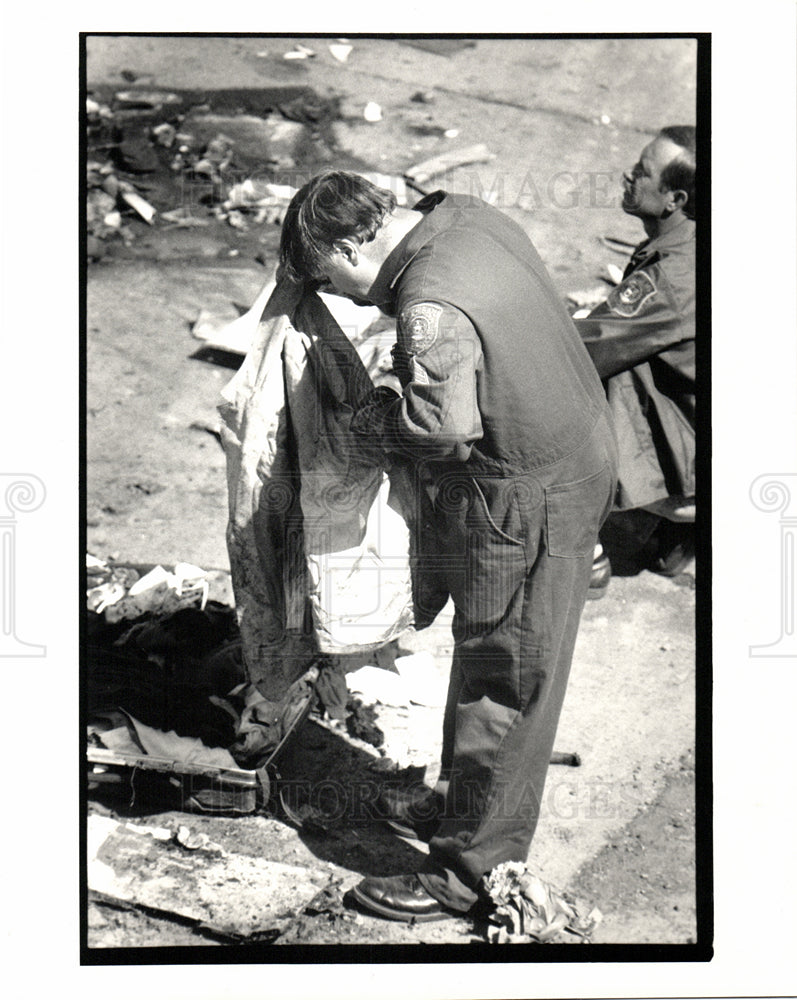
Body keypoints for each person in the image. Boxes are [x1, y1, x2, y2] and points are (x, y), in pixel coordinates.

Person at [279, 172, 618, 922]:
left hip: (522, 500)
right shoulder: (467, 215)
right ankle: (467, 811)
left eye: (328, 275)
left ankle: (470, 869)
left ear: (348, 243)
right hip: (571, 450)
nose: (340, 294)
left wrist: (372, 427)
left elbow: (442, 430)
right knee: (496, 658)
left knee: (502, 679)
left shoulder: (429, 304)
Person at [574, 126, 696, 577]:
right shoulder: (684, 243)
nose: (629, 176)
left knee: (575, 389)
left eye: (643, 173)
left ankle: (586, 554)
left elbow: (588, 348)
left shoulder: (674, 276)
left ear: (675, 200)